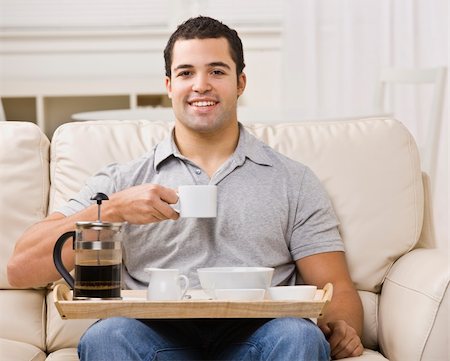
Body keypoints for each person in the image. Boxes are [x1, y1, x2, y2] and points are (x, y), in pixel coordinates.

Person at [7, 16, 364, 360]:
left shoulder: (292, 180)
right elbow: (21, 268)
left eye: (217, 71)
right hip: (150, 336)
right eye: (186, 73)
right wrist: (110, 212)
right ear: (169, 87)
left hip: (262, 336)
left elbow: (337, 286)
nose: (201, 85)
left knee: (300, 335)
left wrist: (343, 330)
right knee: (107, 335)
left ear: (240, 83)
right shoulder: (123, 180)